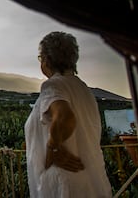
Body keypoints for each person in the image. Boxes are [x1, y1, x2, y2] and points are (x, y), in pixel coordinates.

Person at [25, 31, 112, 198]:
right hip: (90, 182)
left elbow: (65, 117)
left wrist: (53, 148)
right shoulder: (83, 88)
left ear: (47, 60)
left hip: (64, 184)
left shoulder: (53, 85)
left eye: (40, 57)